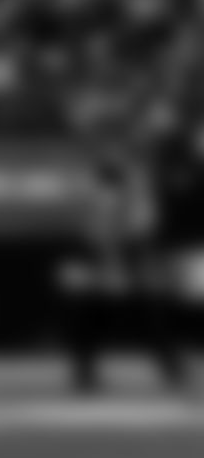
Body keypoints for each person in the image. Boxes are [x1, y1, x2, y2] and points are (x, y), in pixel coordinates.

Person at [62, 157, 187, 392]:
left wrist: (126, 258)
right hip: (100, 263)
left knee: (148, 315)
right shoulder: (93, 196)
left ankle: (171, 367)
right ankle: (84, 372)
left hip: (128, 263)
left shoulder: (133, 195)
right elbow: (86, 233)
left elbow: (142, 229)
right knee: (93, 316)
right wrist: (102, 259)